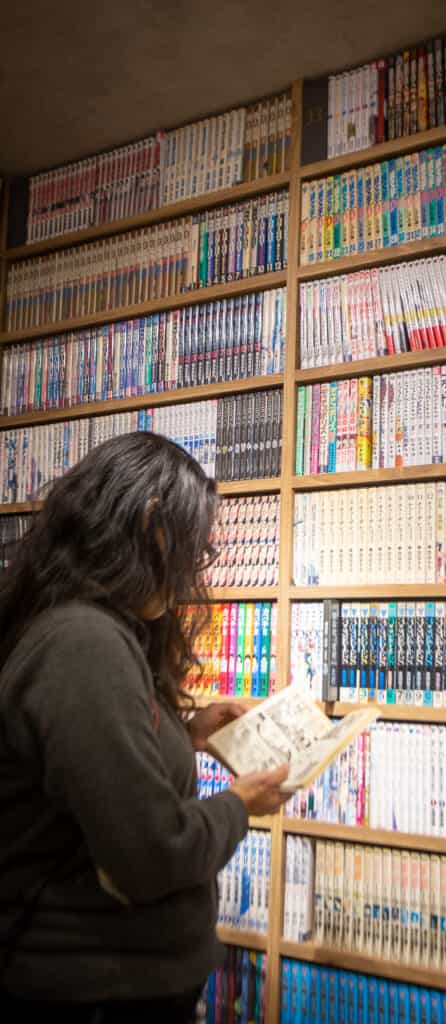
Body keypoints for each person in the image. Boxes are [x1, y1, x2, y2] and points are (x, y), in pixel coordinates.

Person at [0, 432, 289, 1023]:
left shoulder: (95, 630)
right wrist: (241, 804)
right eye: (193, 550)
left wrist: (190, 732)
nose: (193, 572)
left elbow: (90, 768)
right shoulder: (83, 645)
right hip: (90, 995)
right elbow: (151, 854)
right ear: (152, 524)